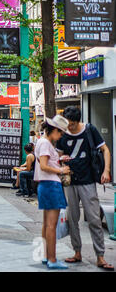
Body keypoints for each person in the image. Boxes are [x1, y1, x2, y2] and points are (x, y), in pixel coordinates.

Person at [56, 106, 114, 271]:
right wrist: (62, 160)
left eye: (73, 124)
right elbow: (58, 155)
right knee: (72, 219)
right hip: (70, 181)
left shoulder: (89, 129)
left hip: (88, 181)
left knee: (94, 219)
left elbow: (105, 150)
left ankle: (100, 256)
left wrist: (106, 170)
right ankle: (77, 252)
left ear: (78, 120)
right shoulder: (63, 133)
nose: (70, 128)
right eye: (68, 124)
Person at [34, 115, 70, 269]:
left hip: (46, 185)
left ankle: (45, 256)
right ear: (54, 130)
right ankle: (52, 259)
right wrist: (60, 169)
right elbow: (43, 166)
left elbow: (45, 163)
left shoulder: (43, 142)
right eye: (60, 132)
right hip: (51, 185)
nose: (61, 136)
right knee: (51, 225)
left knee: (46, 224)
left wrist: (59, 162)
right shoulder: (45, 144)